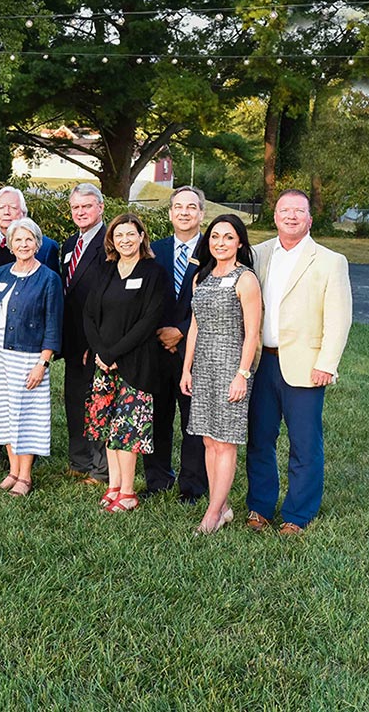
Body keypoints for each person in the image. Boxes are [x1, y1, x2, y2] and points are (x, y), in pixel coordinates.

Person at [245, 190, 353, 535]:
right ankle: (259, 507)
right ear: (274, 216)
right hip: (262, 362)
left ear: (309, 218)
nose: (291, 216)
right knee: (260, 439)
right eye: (284, 210)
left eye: (299, 211)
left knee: (304, 443)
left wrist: (327, 363)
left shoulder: (329, 261)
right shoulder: (258, 254)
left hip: (306, 365)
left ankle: (297, 514)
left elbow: (339, 318)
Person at [180, 214, 261, 534]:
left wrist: (242, 374)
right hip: (203, 367)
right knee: (209, 440)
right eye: (215, 237)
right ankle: (223, 505)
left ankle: (212, 514)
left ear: (239, 242)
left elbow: (252, 333)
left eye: (228, 237)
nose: (220, 243)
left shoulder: (246, 279)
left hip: (231, 366)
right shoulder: (202, 276)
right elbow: (194, 327)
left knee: (226, 442)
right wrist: (187, 369)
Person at [83, 213, 169, 513]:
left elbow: (149, 321)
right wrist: (101, 352)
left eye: (131, 234)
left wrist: (115, 353)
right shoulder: (106, 271)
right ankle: (114, 486)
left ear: (142, 237)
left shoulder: (153, 272)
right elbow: (89, 315)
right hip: (104, 363)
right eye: (119, 235)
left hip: (136, 363)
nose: (125, 240)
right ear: (112, 240)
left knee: (127, 430)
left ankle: (129, 493)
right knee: (108, 426)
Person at [0, 186, 60, 461]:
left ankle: (22, 461)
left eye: (13, 207)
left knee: (24, 402)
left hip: (28, 342)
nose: (7, 212)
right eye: (2, 208)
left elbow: (53, 304)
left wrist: (46, 355)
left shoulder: (48, 250)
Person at [151, 185, 208, 503]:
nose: (184, 212)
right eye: (178, 207)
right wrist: (161, 331)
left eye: (191, 207)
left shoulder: (214, 250)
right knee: (157, 417)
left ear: (201, 213)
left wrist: (183, 331)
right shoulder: (155, 250)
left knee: (192, 421)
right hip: (157, 348)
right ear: (170, 212)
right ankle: (157, 478)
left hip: (196, 351)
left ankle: (192, 485)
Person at [61, 183, 110, 485]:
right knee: (74, 399)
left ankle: (100, 467)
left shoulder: (110, 242)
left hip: (97, 341)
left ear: (101, 207)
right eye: (76, 207)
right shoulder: (69, 245)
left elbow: (110, 297)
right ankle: (78, 460)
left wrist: (97, 343)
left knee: (98, 403)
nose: (81, 212)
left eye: (87, 206)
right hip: (73, 341)